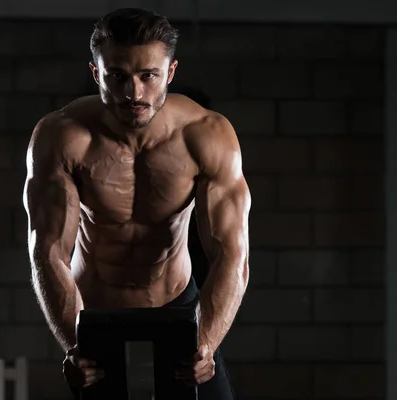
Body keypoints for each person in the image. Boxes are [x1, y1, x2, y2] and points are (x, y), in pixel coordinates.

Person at [22, 7, 251, 400]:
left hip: (178, 305)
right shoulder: (62, 138)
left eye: (149, 76)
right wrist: (73, 345)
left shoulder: (206, 135)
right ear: (97, 73)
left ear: (171, 72)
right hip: (93, 311)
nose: (134, 94)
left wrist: (207, 344)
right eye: (118, 77)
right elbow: (48, 251)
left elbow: (232, 254)